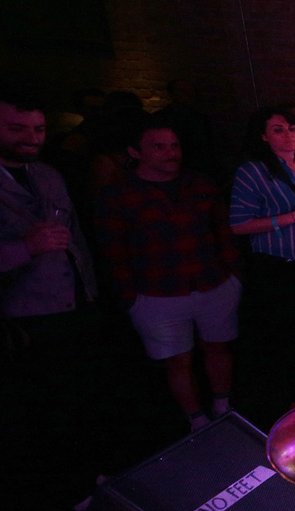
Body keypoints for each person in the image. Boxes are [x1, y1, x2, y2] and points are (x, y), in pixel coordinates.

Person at [95, 118, 241, 431]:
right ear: (135, 152)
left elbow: (222, 231)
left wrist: (233, 275)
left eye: (174, 145)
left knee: (218, 347)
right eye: (159, 147)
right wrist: (130, 298)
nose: (170, 152)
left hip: (212, 281)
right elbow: (113, 250)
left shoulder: (200, 183)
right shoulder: (118, 194)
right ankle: (196, 421)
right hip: (156, 291)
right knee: (177, 359)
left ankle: (222, 404)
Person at [0, 91, 102, 511]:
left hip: (73, 305)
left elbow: (74, 237)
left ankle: (85, 480)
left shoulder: (46, 174)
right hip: (24, 318)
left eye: (38, 129)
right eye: (18, 128)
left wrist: (92, 295)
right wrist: (25, 247)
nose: (31, 138)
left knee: (79, 400)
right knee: (45, 413)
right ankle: (65, 502)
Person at [229, 106, 295, 417]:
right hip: (280, 270)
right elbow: (238, 224)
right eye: (277, 129)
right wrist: (292, 217)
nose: (288, 134)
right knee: (290, 339)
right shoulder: (252, 171)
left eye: (292, 128)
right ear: (262, 136)